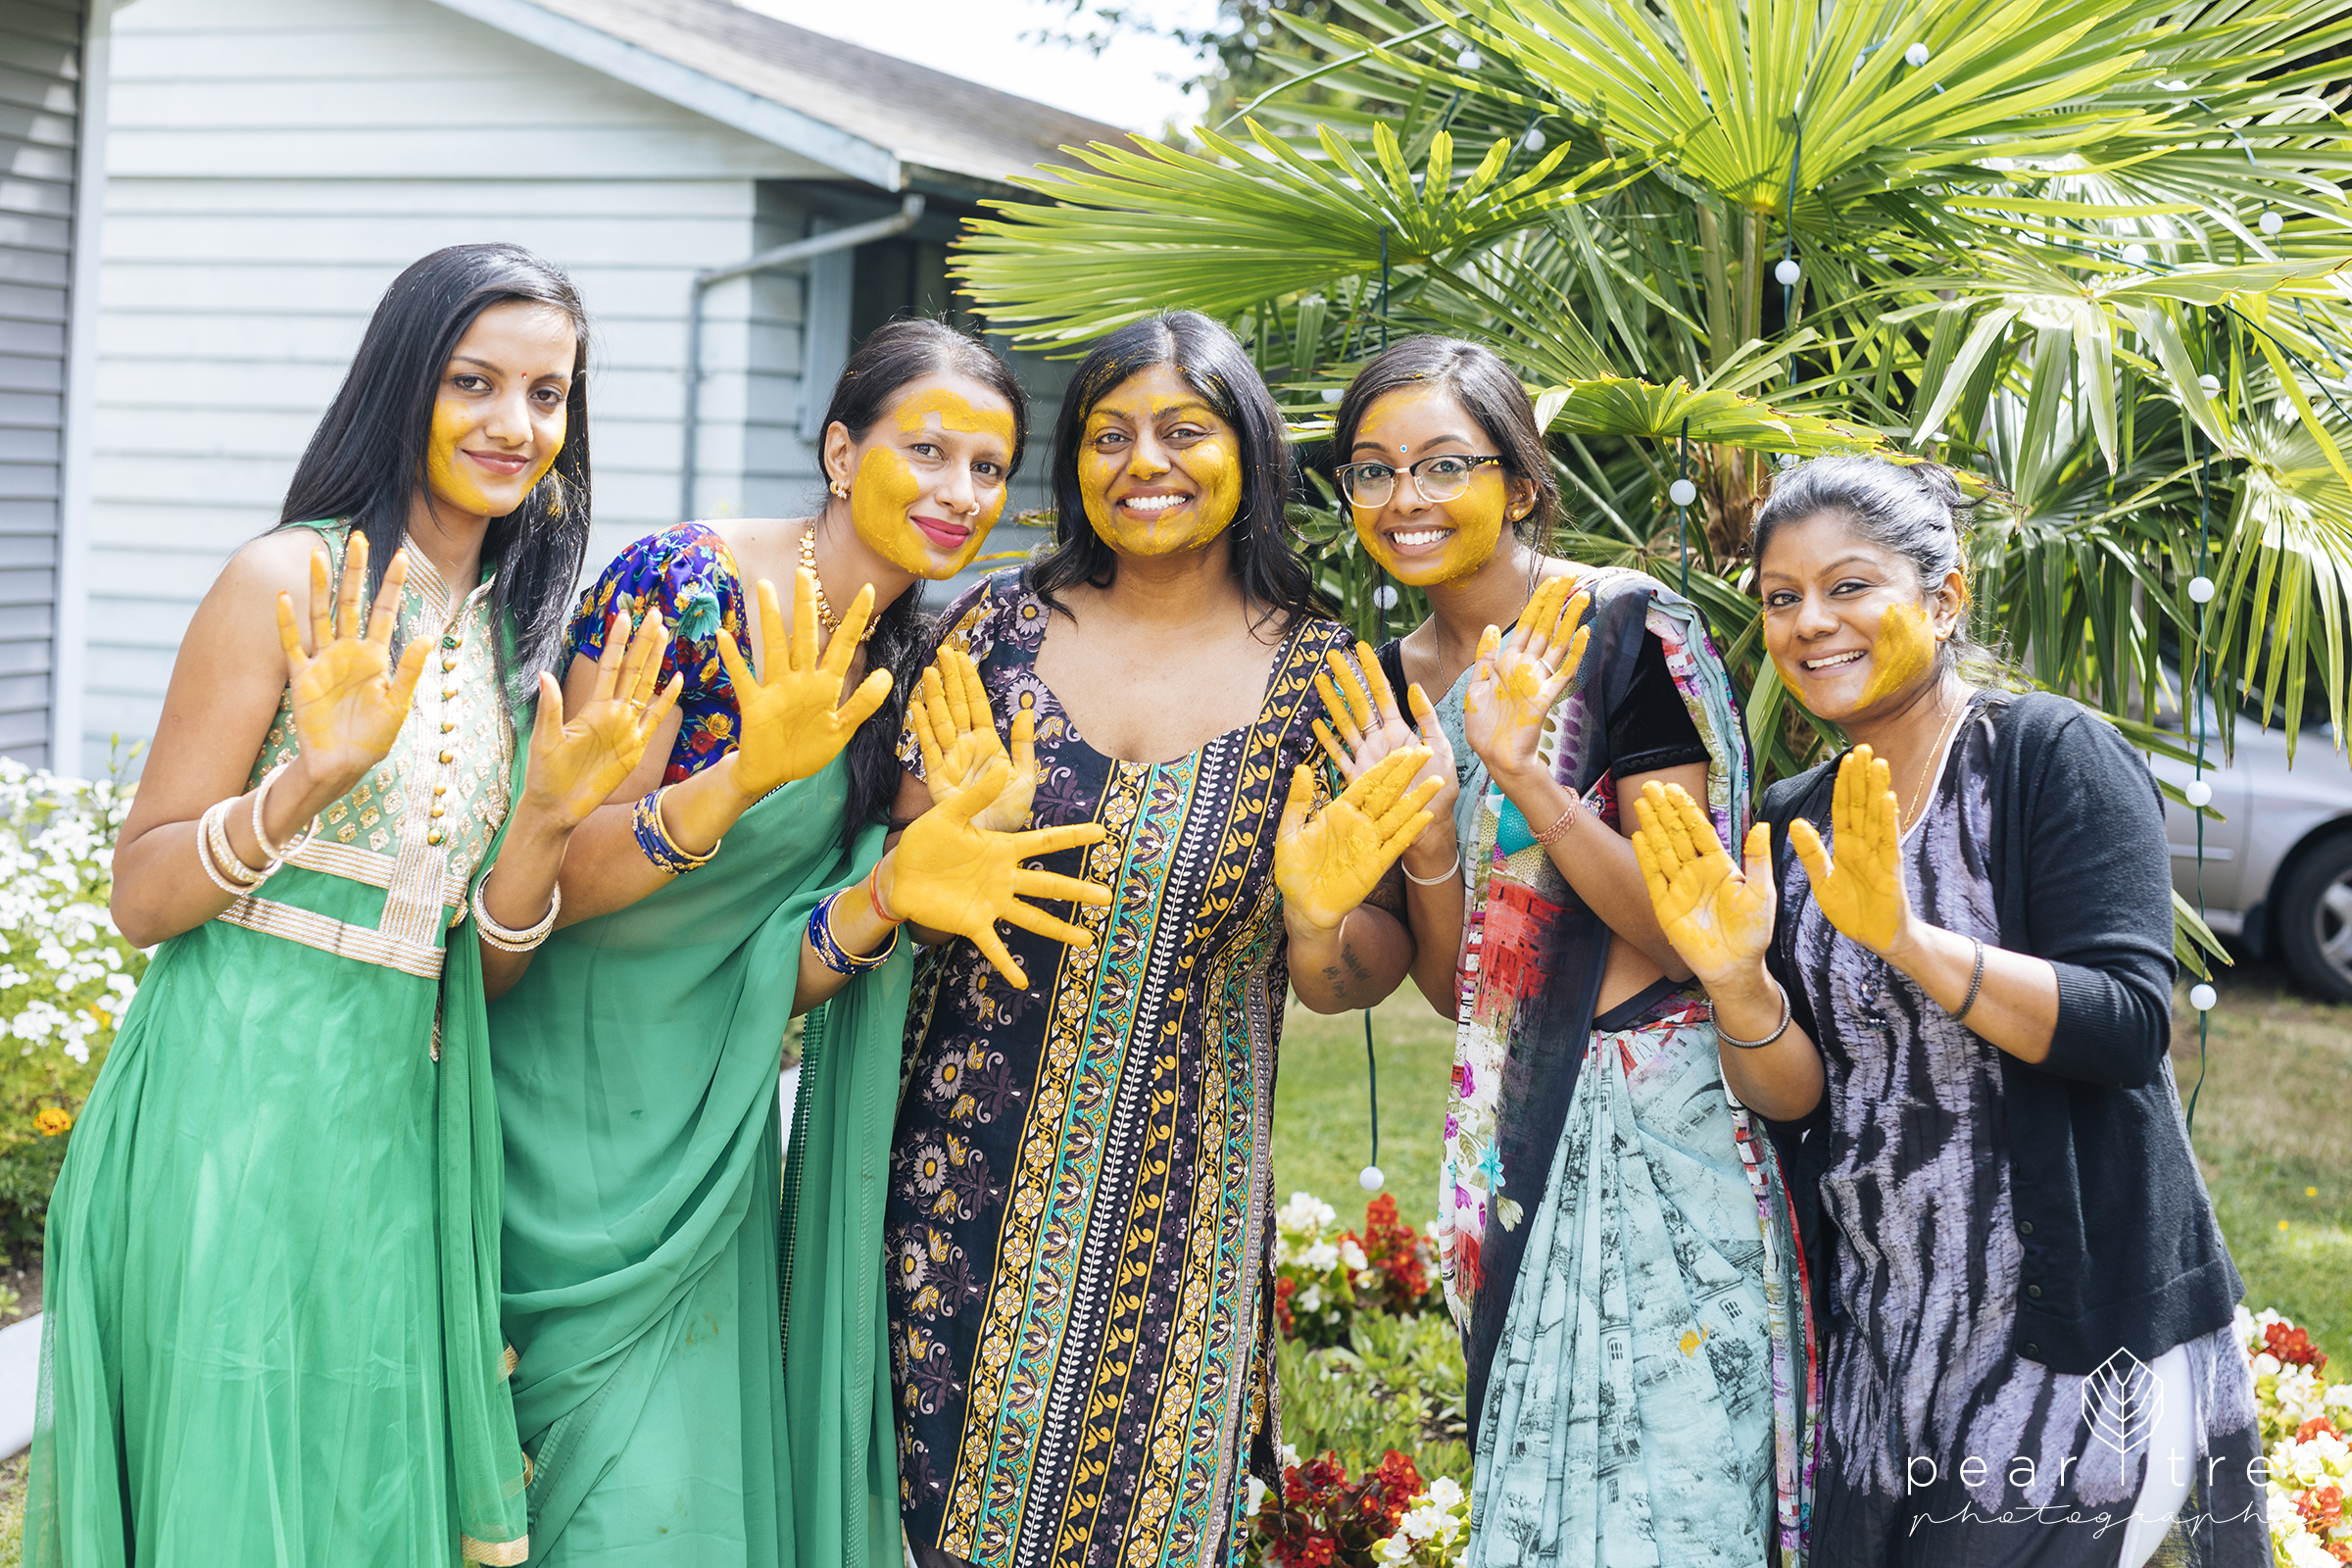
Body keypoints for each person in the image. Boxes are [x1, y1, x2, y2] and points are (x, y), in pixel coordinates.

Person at [26, 243, 671, 1566]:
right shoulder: (286, 583)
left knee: (354, 1502)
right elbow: (142, 894)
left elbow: (471, 970)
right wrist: (308, 781)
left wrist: (548, 823)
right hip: (227, 1108)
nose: (514, 424)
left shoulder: (509, 638)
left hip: (396, 1137)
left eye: (548, 394)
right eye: (474, 382)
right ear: (402, 384)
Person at [487, 319, 1111, 1568]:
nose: (959, 492)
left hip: (708, 1133)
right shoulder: (684, 588)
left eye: (989, 468)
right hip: (553, 1117)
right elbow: (545, 876)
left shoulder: (915, 664)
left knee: (666, 1518)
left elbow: (786, 964)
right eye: (926, 450)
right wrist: (732, 783)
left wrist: (893, 893)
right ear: (839, 450)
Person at [1633, 454, 2266, 1566]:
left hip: (2068, 1350)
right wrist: (1736, 984)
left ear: (1944, 597)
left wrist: (1909, 941)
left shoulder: (2048, 757)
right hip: (1889, 1349)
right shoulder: (1795, 816)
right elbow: (1799, 1100)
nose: (1810, 622)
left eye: (1849, 586)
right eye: (1781, 597)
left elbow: (2126, 1024)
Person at [886, 311, 1436, 1568]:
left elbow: (1356, 973)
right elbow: (901, 889)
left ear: (1250, 451)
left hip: (1175, 1219)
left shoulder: (1328, 677)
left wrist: (1318, 920)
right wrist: (942, 838)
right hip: (946, 1187)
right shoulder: (992, 632)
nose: (1145, 462)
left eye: (1185, 431)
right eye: (1109, 434)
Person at [1309, 335, 1813, 1564]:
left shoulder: (1620, 627)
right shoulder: (1387, 684)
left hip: (1664, 1115)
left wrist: (1527, 777)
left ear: (1523, 482)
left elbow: (1685, 929)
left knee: (1683, 1503)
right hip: (1509, 1120)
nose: (1405, 498)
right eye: (1372, 470)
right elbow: (1459, 987)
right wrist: (1433, 834)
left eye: (1444, 464)